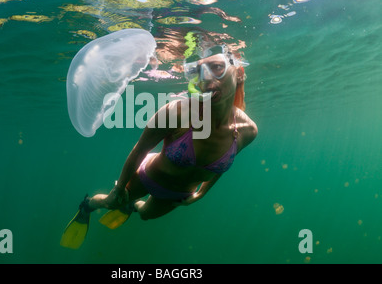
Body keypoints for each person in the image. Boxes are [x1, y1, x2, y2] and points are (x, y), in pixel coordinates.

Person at [60, 45, 258, 249]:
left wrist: (201, 194)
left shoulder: (247, 131)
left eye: (217, 67)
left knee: (145, 215)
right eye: (198, 71)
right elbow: (139, 150)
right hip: (148, 175)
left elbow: (223, 166)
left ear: (239, 73)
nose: (206, 78)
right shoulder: (177, 112)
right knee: (113, 202)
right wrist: (119, 189)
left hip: (180, 195)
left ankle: (131, 205)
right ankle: (88, 205)